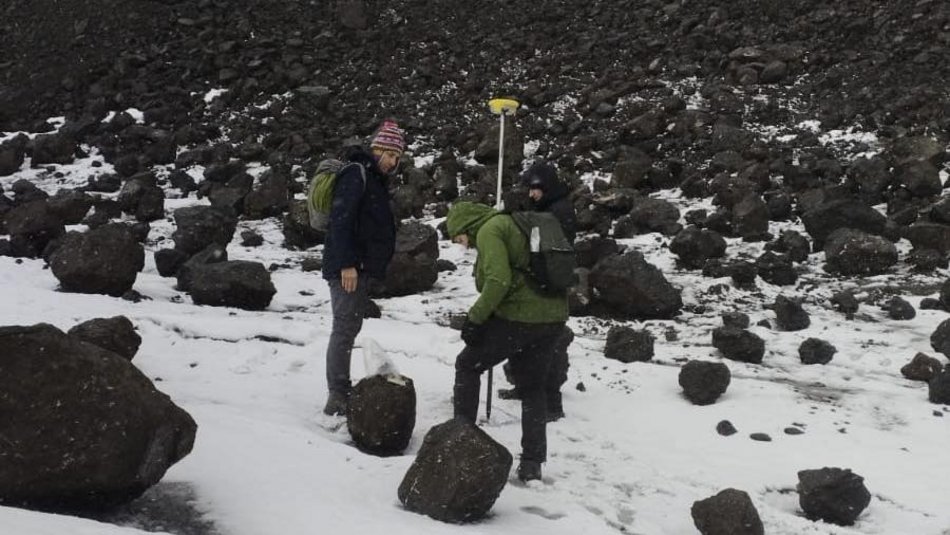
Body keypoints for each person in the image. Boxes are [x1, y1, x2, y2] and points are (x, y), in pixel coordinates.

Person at [446, 201, 569, 482]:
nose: (460, 244)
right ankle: (532, 463)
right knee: (533, 388)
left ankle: (458, 441)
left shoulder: (490, 230)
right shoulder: (517, 223)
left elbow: (498, 281)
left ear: (466, 225)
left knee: (467, 365)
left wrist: (475, 319)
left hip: (520, 317)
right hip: (553, 316)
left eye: (458, 237)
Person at [321, 119, 403, 416]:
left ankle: (341, 389)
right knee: (343, 329)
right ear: (377, 149)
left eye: (397, 157)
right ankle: (337, 395)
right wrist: (347, 264)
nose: (393, 162)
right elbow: (340, 220)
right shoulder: (356, 174)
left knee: (349, 327)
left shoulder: (374, 178)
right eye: (390, 154)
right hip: (348, 268)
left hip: (360, 267)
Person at [499, 162, 577, 421]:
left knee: (549, 348)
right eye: (530, 189)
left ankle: (553, 405)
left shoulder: (559, 210)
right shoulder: (546, 207)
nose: (531, 194)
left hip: (551, 285)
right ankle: (525, 388)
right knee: (528, 342)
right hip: (540, 283)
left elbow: (552, 245)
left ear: (547, 187)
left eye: (535, 189)